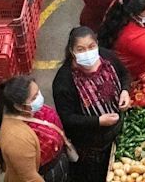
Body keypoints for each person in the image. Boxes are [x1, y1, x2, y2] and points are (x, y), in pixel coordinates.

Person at [53, 27, 132, 182]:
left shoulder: (106, 57)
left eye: (91, 47)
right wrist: (98, 121)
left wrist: (125, 91)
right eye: (80, 49)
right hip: (91, 148)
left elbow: (125, 74)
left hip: (118, 133)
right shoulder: (64, 81)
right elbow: (67, 118)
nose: (87, 53)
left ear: (97, 45)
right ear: (71, 51)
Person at [0, 75, 69, 182]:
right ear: (19, 106)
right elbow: (30, 178)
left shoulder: (30, 111)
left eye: (38, 92)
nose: (39, 98)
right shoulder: (16, 138)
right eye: (34, 97)